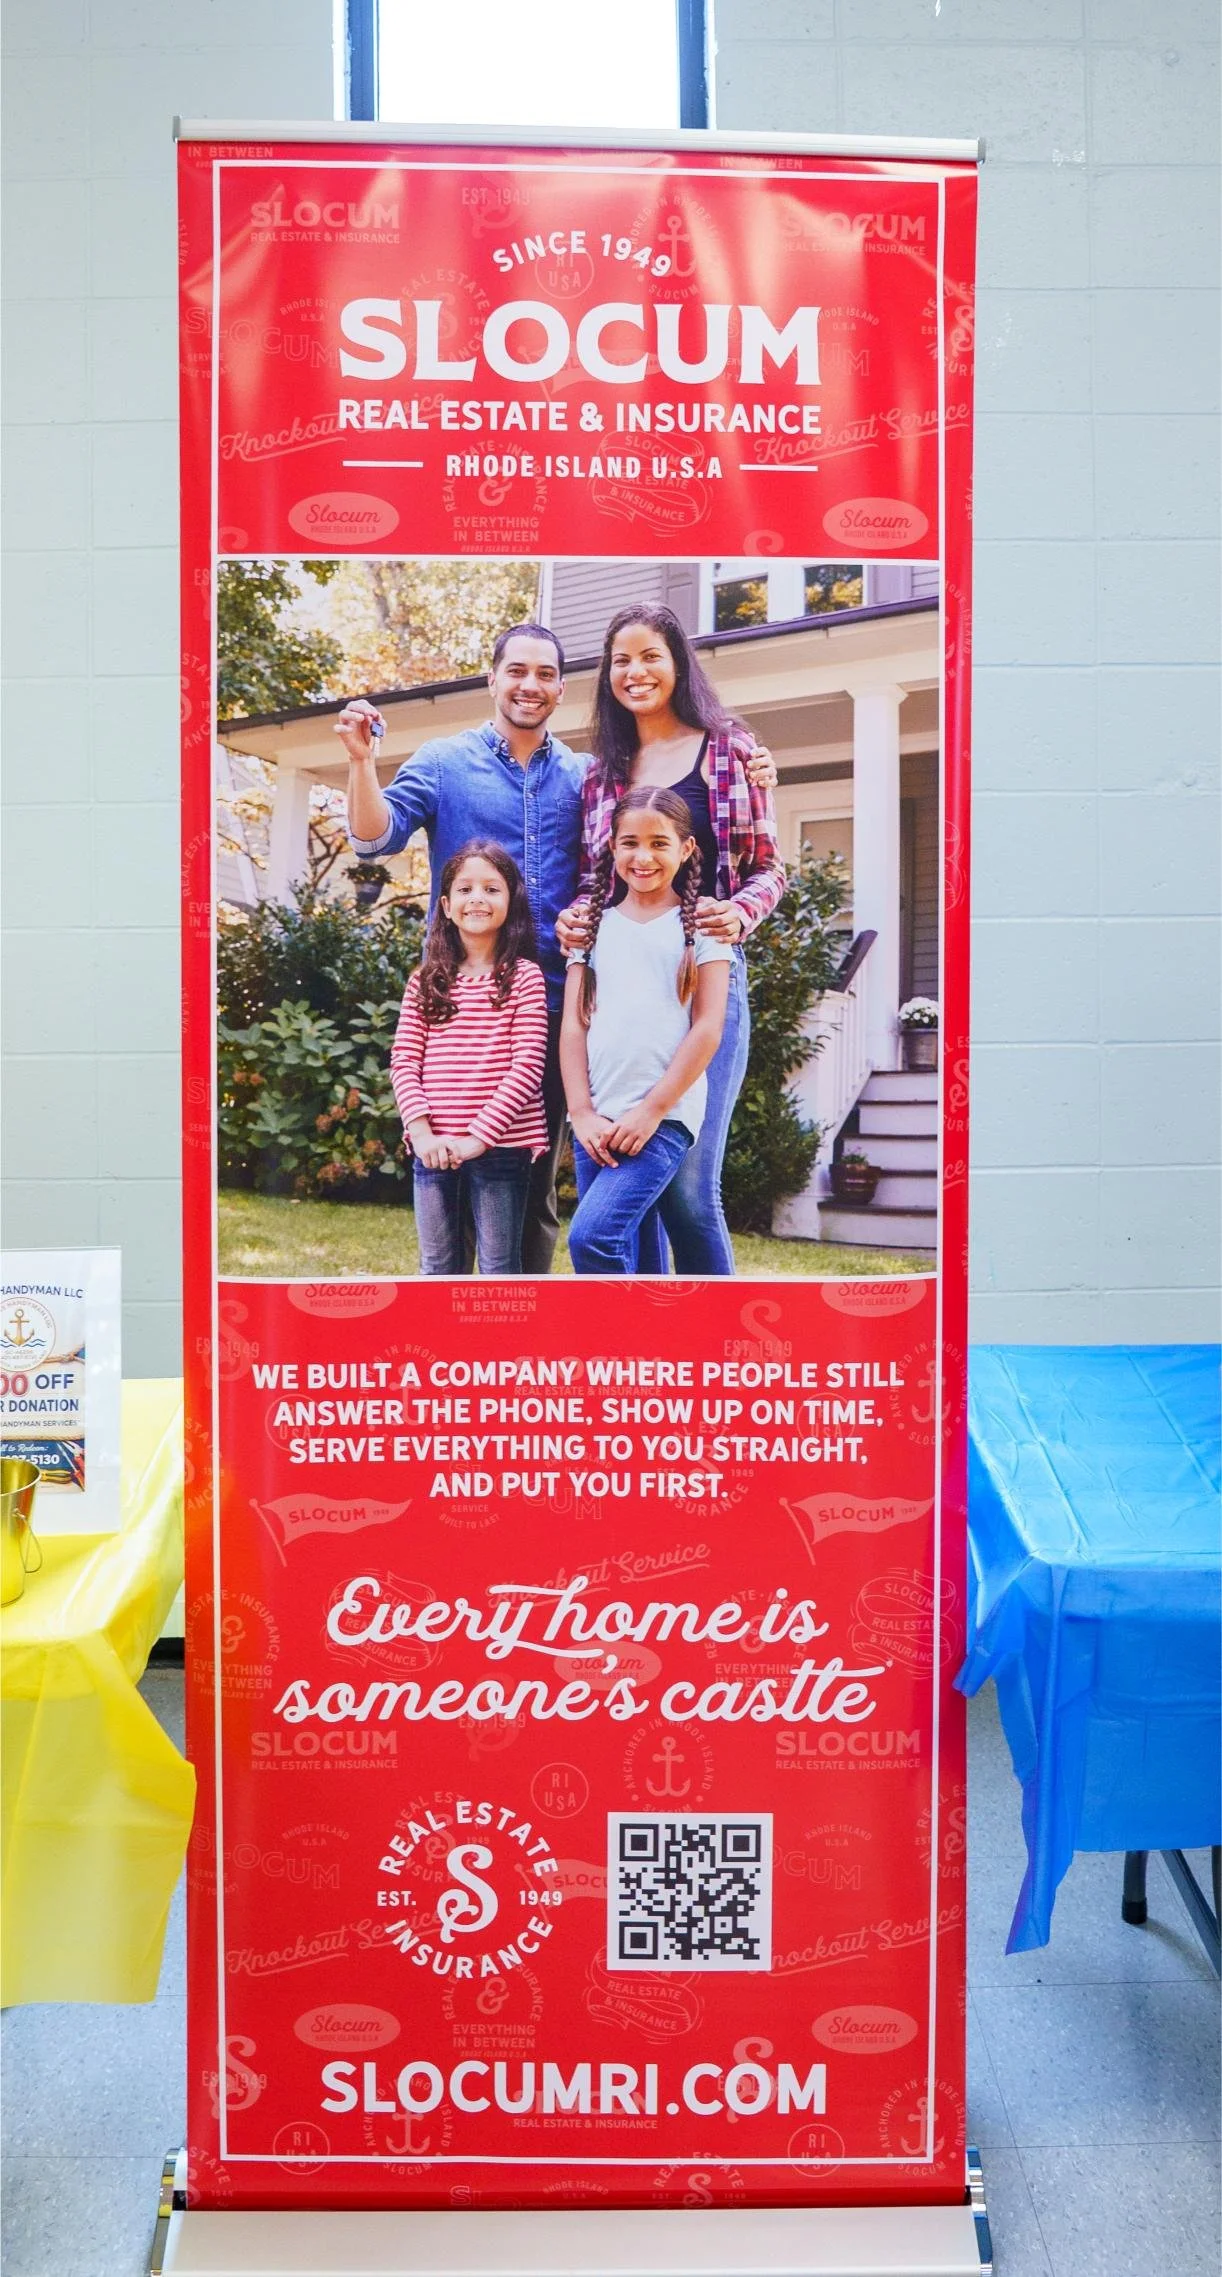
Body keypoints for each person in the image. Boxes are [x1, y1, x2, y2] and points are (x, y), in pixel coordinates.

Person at [337, 623, 582, 1273]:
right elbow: (374, 838)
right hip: (457, 1013)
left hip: (552, 1010)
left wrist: (751, 773)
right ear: (492, 677)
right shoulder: (443, 762)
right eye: (517, 670)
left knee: (529, 1190)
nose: (530, 684)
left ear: (561, 688)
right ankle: (449, 1313)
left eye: (546, 673)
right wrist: (361, 763)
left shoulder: (584, 776)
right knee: (445, 1184)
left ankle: (518, 1318)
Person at [559, 605, 786, 1275]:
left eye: (650, 656)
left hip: (701, 972)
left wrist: (737, 914)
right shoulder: (601, 773)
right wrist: (575, 917)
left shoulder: (731, 750)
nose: (636, 672)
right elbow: (593, 879)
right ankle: (648, 1326)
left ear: (678, 664)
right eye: (621, 660)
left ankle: (715, 1331)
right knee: (628, 1181)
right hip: (622, 982)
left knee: (687, 1190)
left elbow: (770, 868)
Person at [561, 787, 732, 1276]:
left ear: (686, 848)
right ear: (611, 847)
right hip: (597, 1122)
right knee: (636, 1251)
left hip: (662, 1119)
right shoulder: (591, 928)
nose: (643, 857)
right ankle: (652, 1327)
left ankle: (623, 1332)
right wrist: (581, 1113)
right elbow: (573, 1026)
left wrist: (652, 1110)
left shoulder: (703, 927)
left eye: (659, 843)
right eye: (630, 842)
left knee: (593, 1237)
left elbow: (707, 1028)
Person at [390, 841, 547, 1275]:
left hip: (501, 1147)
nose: (477, 898)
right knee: (437, 1267)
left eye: (491, 889)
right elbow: (404, 1060)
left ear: (511, 902)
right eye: (464, 889)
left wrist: (479, 1138)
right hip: (433, 1148)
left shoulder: (524, 978)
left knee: (499, 1267)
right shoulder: (425, 981)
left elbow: (528, 1064)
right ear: (445, 905)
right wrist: (422, 1135)